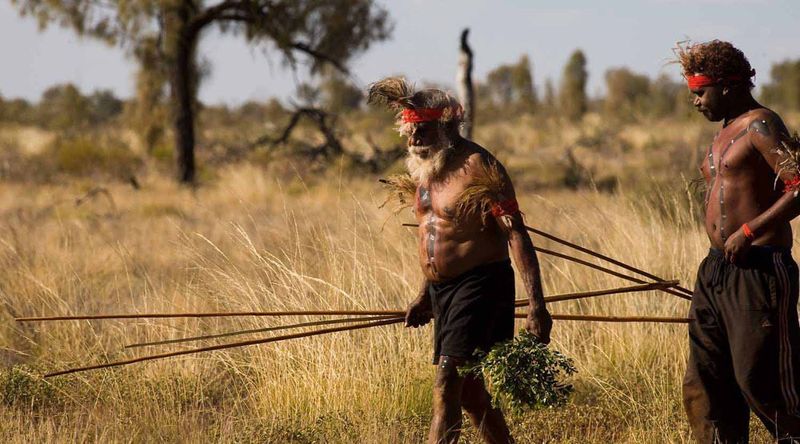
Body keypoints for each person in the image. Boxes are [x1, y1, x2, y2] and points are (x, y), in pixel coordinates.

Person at [368, 77, 552, 444]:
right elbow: (435, 237)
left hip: (482, 285)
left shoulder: (479, 167)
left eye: (422, 131)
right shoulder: (424, 172)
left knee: (446, 381)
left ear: (446, 127)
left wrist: (537, 306)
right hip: (443, 291)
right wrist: (426, 293)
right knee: (470, 393)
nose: (414, 140)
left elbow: (516, 234)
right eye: (409, 131)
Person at [678, 40, 800, 443]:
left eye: (700, 92)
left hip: (761, 268)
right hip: (716, 270)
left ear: (728, 86)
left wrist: (749, 233)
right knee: (706, 383)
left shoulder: (760, 125)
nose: (695, 102)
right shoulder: (722, 134)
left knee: (762, 382)